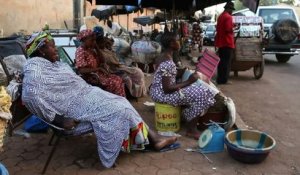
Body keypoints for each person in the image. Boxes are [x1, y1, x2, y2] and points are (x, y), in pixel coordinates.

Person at [22, 31, 177, 168]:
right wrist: (58, 119)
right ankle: (152, 139)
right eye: (52, 46)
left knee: (121, 101)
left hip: (84, 95)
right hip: (75, 106)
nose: (56, 49)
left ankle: (151, 138)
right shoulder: (35, 69)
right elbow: (30, 96)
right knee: (120, 109)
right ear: (41, 50)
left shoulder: (51, 64)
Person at [150, 32, 217, 139]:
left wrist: (182, 71)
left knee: (200, 90)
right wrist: (188, 82)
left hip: (157, 91)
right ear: (172, 44)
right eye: (178, 40)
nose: (180, 42)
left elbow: (167, 75)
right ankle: (191, 128)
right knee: (203, 93)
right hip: (162, 94)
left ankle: (187, 115)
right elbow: (167, 89)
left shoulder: (163, 56)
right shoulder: (168, 62)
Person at [93, 26, 147, 98]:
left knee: (138, 72)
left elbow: (115, 58)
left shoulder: (106, 47)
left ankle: (138, 93)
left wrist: (109, 48)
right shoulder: (96, 50)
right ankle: (131, 94)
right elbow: (106, 62)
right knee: (131, 76)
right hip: (111, 69)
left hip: (117, 66)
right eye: (101, 42)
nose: (104, 43)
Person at [75, 29, 126, 97]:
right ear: (84, 40)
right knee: (115, 82)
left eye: (94, 40)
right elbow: (81, 70)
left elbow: (103, 60)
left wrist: (96, 48)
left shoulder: (91, 50)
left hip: (99, 75)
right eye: (92, 40)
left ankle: (120, 102)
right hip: (91, 77)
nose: (94, 42)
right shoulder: (80, 51)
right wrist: (98, 69)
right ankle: (114, 102)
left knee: (119, 79)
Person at [215, 1, 237, 84]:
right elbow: (228, 30)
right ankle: (224, 80)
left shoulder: (220, 16)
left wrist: (232, 26)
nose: (232, 11)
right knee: (226, 63)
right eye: (231, 9)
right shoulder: (228, 17)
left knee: (221, 62)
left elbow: (220, 28)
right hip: (227, 42)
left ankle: (220, 79)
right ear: (229, 9)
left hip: (221, 42)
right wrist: (234, 28)